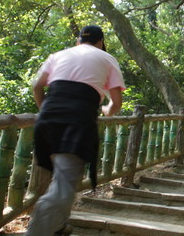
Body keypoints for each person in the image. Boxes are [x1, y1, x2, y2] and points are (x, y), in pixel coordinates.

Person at [26, 25, 126, 236]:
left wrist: (47, 111)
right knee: (64, 186)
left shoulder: (59, 55)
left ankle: (58, 227)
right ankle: (38, 230)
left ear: (78, 41)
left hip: (47, 120)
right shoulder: (107, 58)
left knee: (60, 179)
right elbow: (115, 103)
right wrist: (107, 110)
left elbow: (37, 86)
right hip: (77, 122)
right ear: (100, 42)